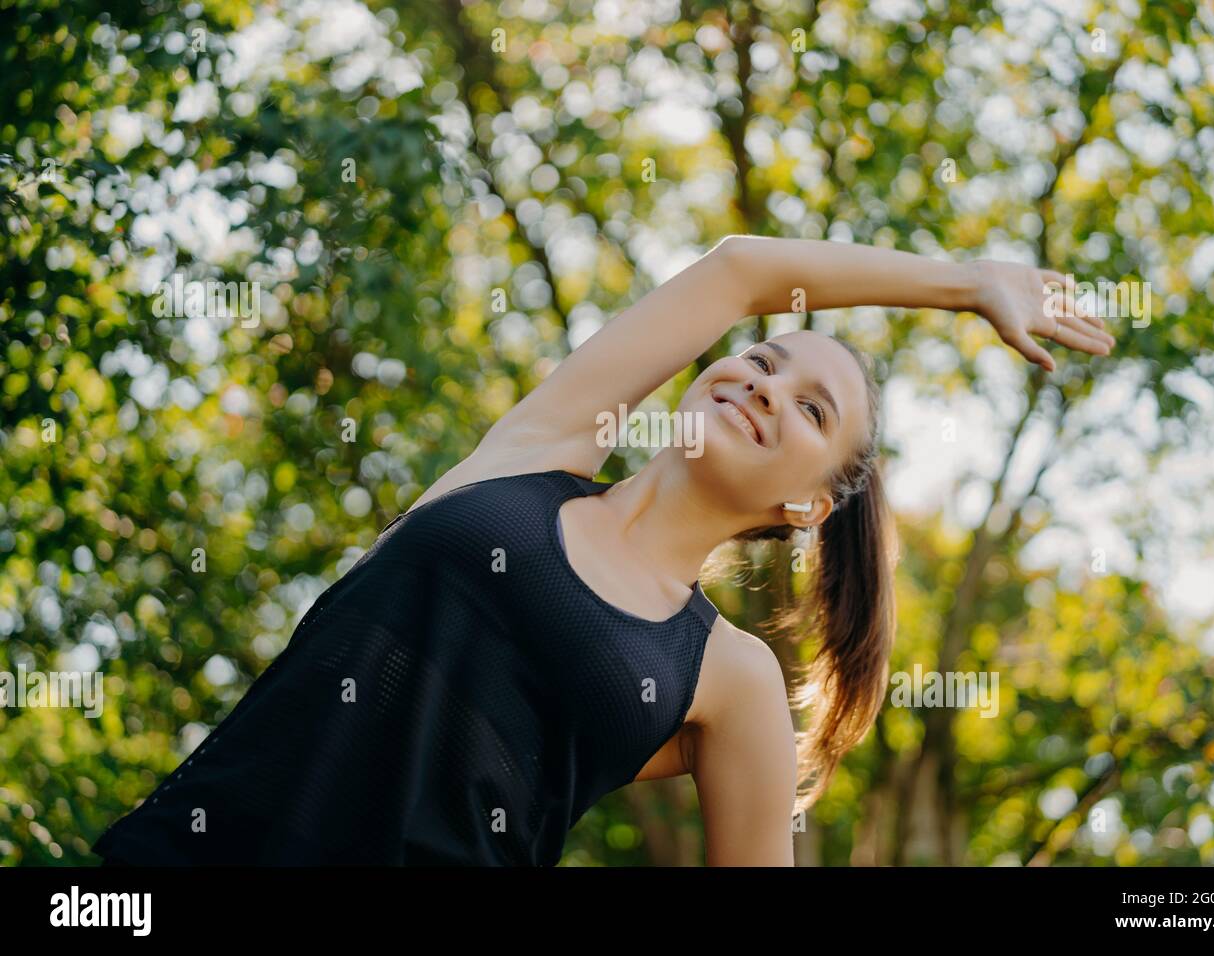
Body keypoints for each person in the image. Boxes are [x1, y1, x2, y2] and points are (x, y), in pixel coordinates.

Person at [92, 234, 1112, 866]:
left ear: (806, 504)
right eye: (759, 359)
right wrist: (965, 281)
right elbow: (742, 269)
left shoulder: (727, 675)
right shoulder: (536, 452)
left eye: (808, 406)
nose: (761, 382)